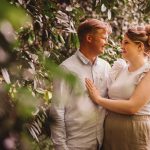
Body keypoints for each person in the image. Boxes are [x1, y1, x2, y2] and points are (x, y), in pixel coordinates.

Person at [50, 18, 112, 150]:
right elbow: (57, 110)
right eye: (104, 38)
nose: (107, 43)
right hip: (76, 145)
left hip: (102, 143)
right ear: (89, 38)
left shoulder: (106, 67)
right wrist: (61, 147)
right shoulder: (66, 69)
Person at [85, 25, 150, 150]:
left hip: (134, 132)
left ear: (140, 46)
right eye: (122, 42)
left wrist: (98, 99)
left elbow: (133, 107)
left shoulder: (148, 72)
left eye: (126, 43)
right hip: (111, 133)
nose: (121, 46)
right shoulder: (120, 68)